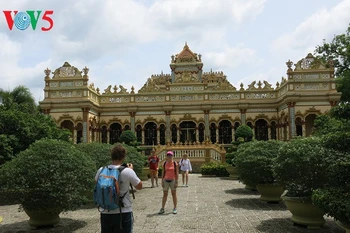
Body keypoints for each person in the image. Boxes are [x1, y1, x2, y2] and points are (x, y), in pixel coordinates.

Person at [95, 144, 142, 233]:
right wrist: (131, 170)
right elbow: (139, 186)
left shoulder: (101, 170)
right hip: (123, 211)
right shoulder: (127, 171)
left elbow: (96, 183)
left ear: (111, 156)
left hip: (106, 211)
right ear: (123, 157)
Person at [158, 150, 179, 215]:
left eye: (170, 156)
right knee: (165, 194)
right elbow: (163, 172)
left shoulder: (175, 164)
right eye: (168, 156)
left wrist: (176, 181)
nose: (169, 157)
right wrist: (162, 181)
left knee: (174, 194)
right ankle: (162, 208)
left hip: (173, 180)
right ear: (166, 156)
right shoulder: (164, 163)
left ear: (172, 156)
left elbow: (177, 173)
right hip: (166, 179)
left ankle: (175, 207)